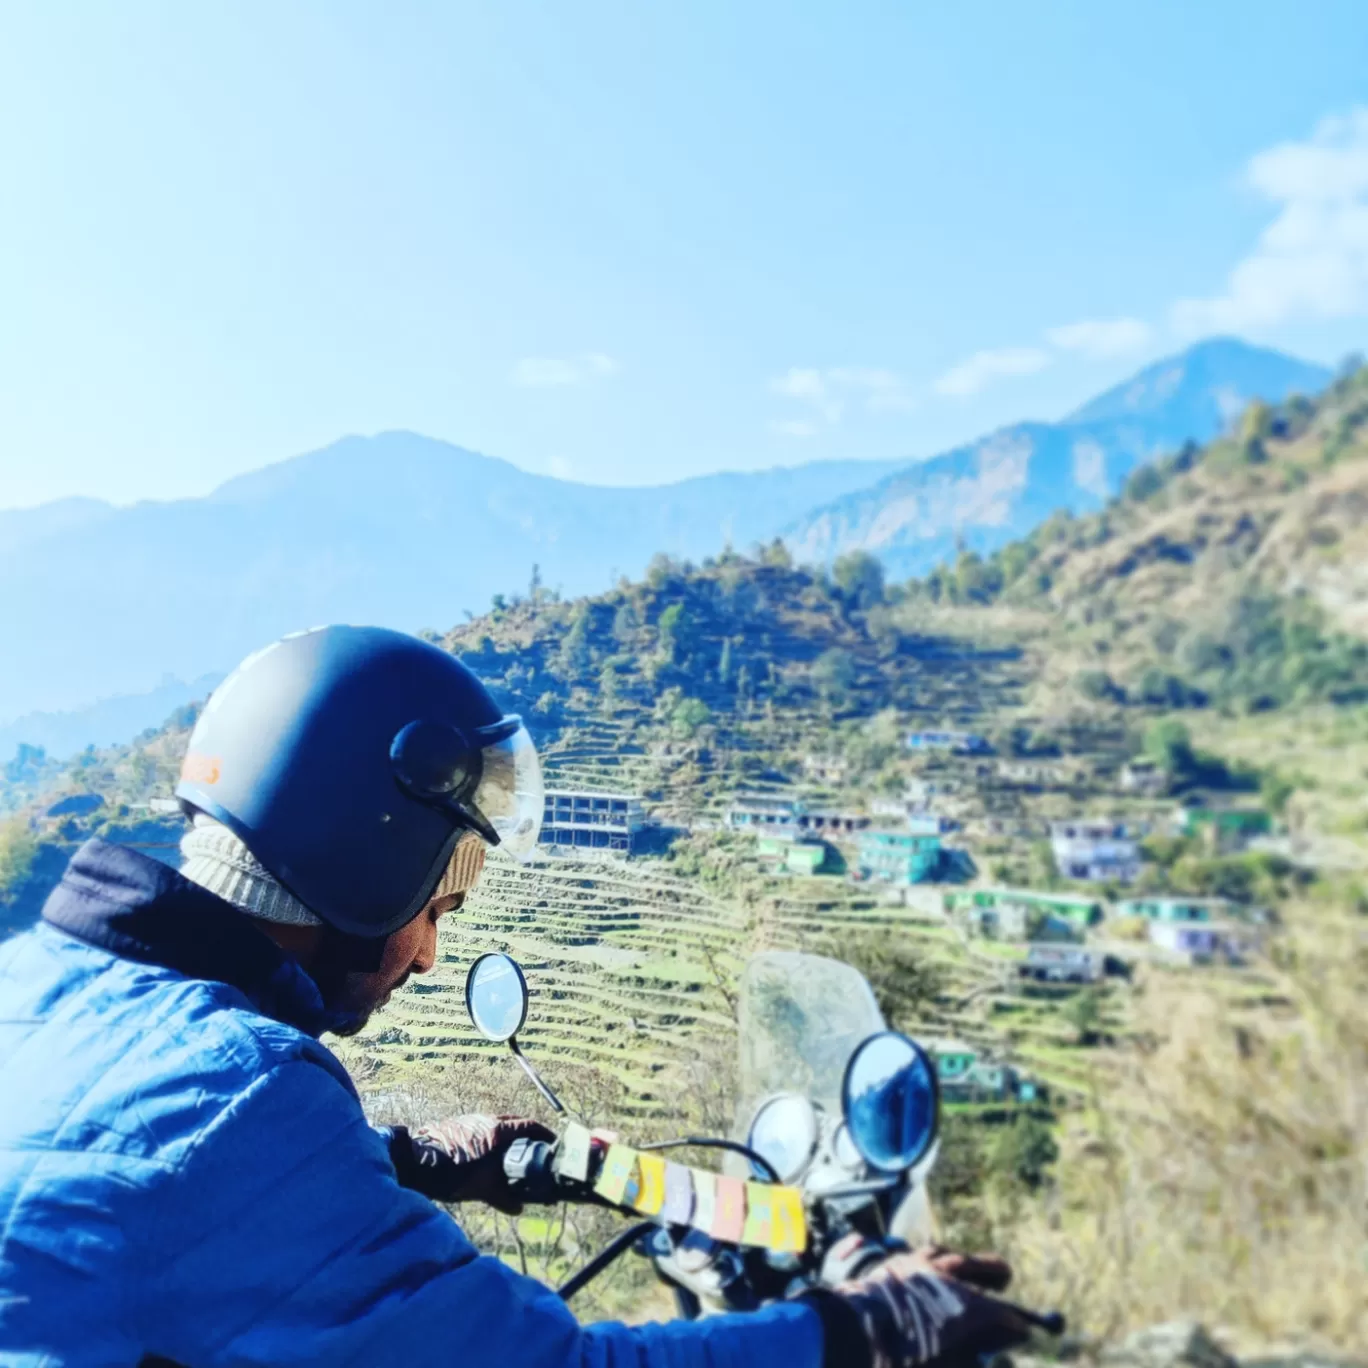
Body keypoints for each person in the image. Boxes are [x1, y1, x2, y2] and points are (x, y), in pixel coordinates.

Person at [0, 626, 1030, 1366]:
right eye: (439, 906)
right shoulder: (242, 1100)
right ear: (369, 860)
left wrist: (412, 1158)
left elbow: (129, 1178)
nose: (432, 957)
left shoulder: (33, 980)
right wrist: (872, 1324)